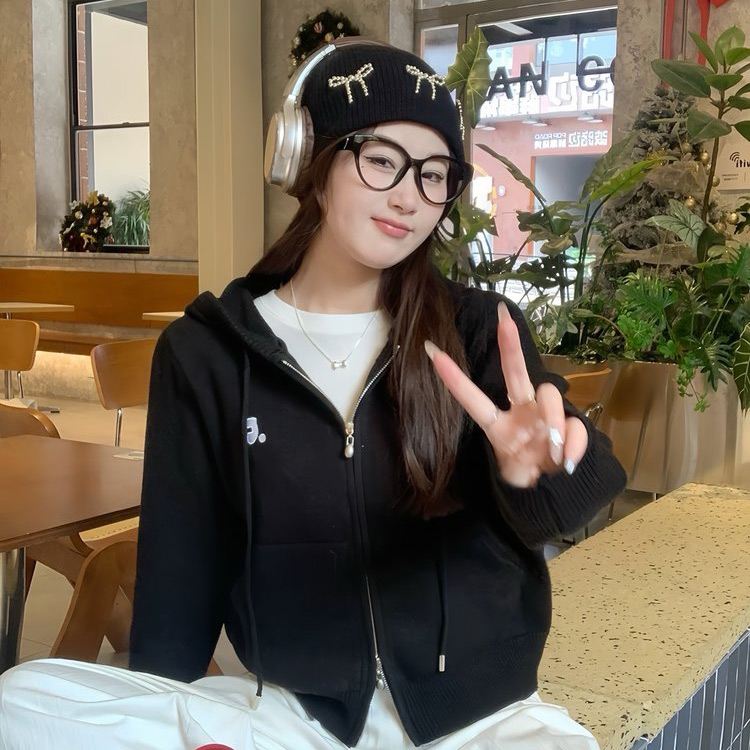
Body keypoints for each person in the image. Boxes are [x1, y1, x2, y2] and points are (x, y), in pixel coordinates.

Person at [0, 38, 626, 750]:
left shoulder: (479, 330)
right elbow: (182, 573)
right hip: (298, 719)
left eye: (433, 175)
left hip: (487, 720)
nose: (408, 197)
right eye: (382, 160)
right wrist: (161, 716)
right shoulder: (207, 353)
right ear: (308, 161)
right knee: (21, 700)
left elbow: (571, 501)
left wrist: (536, 471)